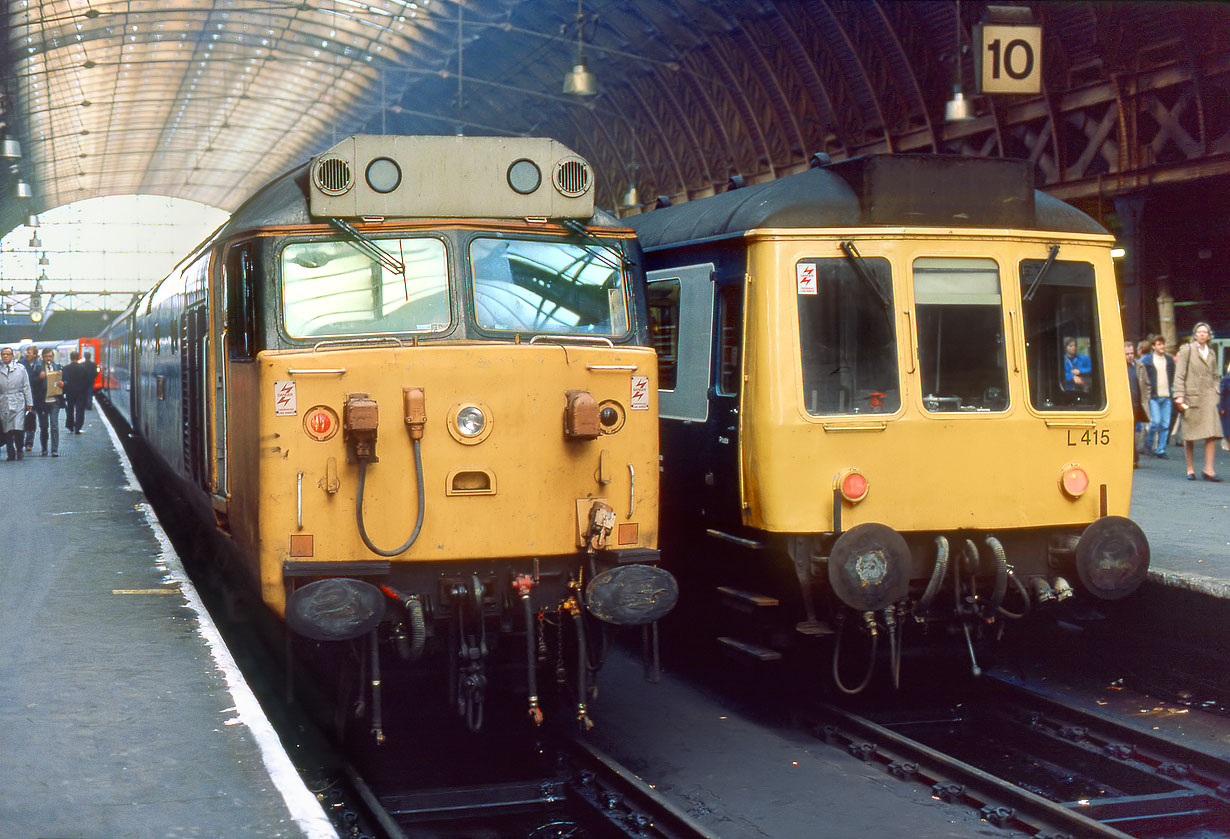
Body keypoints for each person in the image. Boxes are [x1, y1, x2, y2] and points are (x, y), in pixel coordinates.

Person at [1172, 322, 1224, 481]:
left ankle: (1209, 470)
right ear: (1195, 334)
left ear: (1209, 336)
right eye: (1199, 332)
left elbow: (1216, 375)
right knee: (1190, 434)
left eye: (1205, 332)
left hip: (1209, 398)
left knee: (1211, 434)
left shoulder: (1212, 353)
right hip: (1192, 396)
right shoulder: (1186, 350)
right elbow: (1179, 375)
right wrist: (1179, 395)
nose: (1202, 334)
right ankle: (1190, 469)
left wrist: (1216, 390)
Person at [1137, 334, 1175, 459]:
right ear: (1153, 347)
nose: (1162, 346)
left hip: (1166, 395)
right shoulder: (1148, 361)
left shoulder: (1169, 360)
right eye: (1159, 344)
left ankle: (1161, 449)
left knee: (1165, 424)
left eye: (1163, 344)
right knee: (1156, 422)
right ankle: (1148, 444)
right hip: (1154, 396)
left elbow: (1172, 376)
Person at [1, 346, 34, 461]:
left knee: (18, 428)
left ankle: (19, 448)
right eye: (3, 354)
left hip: (18, 401)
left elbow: (26, 386)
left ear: (12, 356)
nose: (5, 356)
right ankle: (11, 452)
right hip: (3, 402)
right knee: (7, 429)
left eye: (7, 354)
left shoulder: (20, 369)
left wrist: (29, 402)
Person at [36, 346, 65, 456]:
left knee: (54, 425)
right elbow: (32, 383)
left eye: (50, 356)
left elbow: (66, 380)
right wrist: (40, 378)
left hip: (55, 401)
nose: (49, 358)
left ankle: (54, 449)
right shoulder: (38, 368)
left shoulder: (58, 367)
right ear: (42, 357)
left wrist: (64, 384)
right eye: (46, 356)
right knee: (44, 427)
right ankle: (44, 448)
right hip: (43, 402)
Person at [1126, 341, 1146, 466]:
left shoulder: (1139, 366)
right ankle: (1132, 458)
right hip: (1125, 405)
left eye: (1132, 353)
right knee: (1127, 432)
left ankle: (1133, 458)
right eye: (1127, 354)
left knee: (1132, 431)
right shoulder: (1119, 367)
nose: (1130, 356)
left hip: (1136, 404)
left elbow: (1146, 384)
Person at [62, 350, 91, 434]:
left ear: (70, 358)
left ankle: (70, 426)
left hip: (70, 392)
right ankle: (78, 427)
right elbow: (87, 381)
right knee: (80, 411)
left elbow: (64, 380)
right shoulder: (83, 368)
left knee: (70, 410)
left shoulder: (66, 368)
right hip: (81, 393)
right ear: (78, 358)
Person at [17, 344, 39, 452]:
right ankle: (20, 443)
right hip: (22, 396)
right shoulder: (21, 364)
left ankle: (29, 443)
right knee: (20, 420)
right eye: (27, 352)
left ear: (34, 355)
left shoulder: (39, 365)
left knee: (31, 420)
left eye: (29, 352)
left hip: (34, 397)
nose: (27, 354)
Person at [1220, 361, 1230, 453]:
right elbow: (1222, 394)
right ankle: (1225, 441)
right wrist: (1221, 408)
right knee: (1226, 427)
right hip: (1227, 407)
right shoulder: (1226, 380)